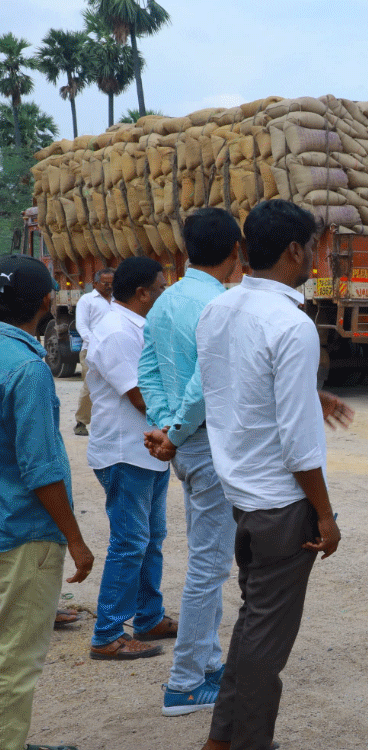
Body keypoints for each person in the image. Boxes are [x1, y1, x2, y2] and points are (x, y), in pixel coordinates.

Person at [195, 200, 345, 750]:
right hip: (281, 503)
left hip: (241, 492)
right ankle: (247, 742)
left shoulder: (218, 310)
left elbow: (237, 393)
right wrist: (325, 515)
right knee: (267, 641)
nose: (317, 256)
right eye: (315, 246)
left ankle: (222, 738)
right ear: (293, 251)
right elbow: (300, 446)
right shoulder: (290, 323)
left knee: (254, 621)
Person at [138, 208, 243, 716]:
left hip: (184, 443)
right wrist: (176, 432)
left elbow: (149, 369)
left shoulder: (166, 301)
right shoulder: (220, 303)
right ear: (234, 252)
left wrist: (163, 428)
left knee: (210, 556)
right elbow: (206, 382)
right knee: (209, 563)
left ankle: (206, 662)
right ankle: (183, 682)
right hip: (204, 443)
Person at [0, 255, 94, 750]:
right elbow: (40, 469)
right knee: (14, 661)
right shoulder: (27, 369)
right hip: (21, 534)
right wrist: (75, 541)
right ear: (45, 303)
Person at [87, 256, 173, 661]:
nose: (164, 294)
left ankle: (148, 617)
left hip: (147, 452)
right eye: (160, 288)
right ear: (142, 293)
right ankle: (107, 634)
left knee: (150, 540)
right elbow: (140, 396)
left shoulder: (135, 327)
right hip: (126, 453)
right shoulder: (117, 332)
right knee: (129, 543)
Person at [73, 267, 114, 436]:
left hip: (114, 350)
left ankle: (109, 424)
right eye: (105, 283)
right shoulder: (87, 300)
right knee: (90, 386)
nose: (109, 286)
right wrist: (96, 343)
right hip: (91, 351)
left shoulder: (119, 300)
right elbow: (81, 325)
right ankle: (81, 422)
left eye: (112, 283)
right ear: (96, 283)